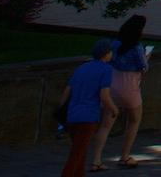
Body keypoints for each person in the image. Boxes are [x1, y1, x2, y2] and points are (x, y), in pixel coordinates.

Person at [91, 15, 149, 170]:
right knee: (134, 121)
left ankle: (96, 160)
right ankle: (124, 156)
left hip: (112, 84)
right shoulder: (137, 47)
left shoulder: (115, 44)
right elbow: (143, 66)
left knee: (105, 125)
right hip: (129, 86)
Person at [59, 40, 118, 177]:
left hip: (72, 114)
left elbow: (66, 92)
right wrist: (114, 109)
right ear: (106, 54)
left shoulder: (81, 68)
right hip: (88, 115)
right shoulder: (106, 69)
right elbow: (104, 95)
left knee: (80, 151)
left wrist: (61, 111)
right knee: (76, 154)